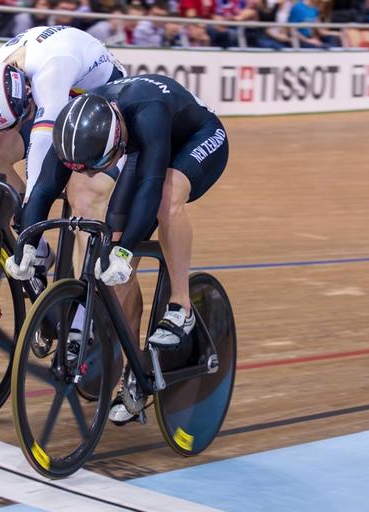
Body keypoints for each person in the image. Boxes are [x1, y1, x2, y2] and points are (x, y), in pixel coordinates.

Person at [13, 74, 229, 424]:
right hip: (141, 145)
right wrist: (28, 241)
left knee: (164, 197)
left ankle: (181, 306)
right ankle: (136, 371)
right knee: (109, 251)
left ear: (115, 140)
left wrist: (127, 252)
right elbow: (42, 189)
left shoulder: (148, 113)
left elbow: (149, 182)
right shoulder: (73, 123)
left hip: (198, 138)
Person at [0, 26, 126, 286]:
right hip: (53, 95)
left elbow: (40, 146)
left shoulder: (51, 72)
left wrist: (31, 209)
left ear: (27, 92)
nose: (15, 130)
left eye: (17, 120)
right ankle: (40, 252)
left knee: (82, 190)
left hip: (101, 94)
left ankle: (83, 310)